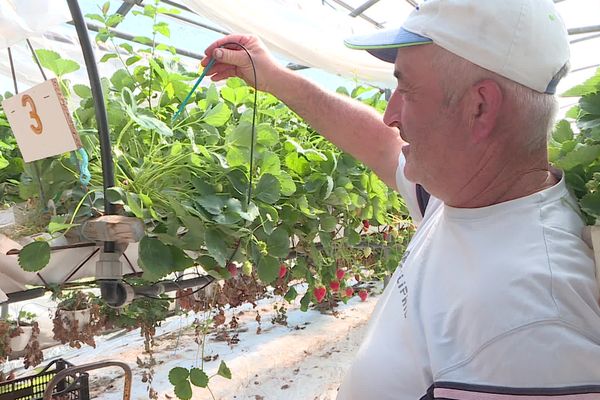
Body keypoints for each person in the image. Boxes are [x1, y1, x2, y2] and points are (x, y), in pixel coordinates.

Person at [203, 0, 600, 398]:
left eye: (407, 88)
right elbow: (380, 144)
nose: (390, 115)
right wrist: (273, 77)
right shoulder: (466, 197)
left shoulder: (531, 324)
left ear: (479, 107)